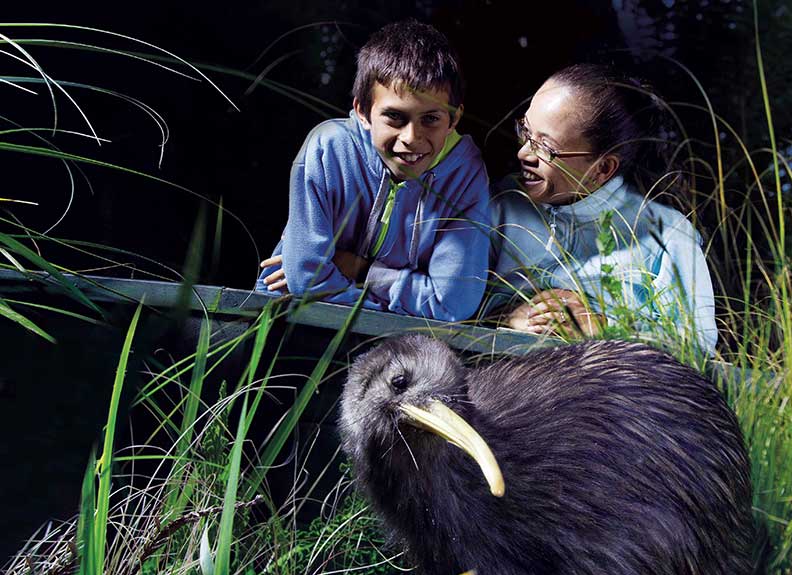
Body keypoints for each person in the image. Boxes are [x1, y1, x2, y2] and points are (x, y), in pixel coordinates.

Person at [256, 20, 490, 322]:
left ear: (454, 119)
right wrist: (397, 304)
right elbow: (304, 279)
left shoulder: (466, 174)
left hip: (394, 338)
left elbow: (452, 304)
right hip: (291, 316)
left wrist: (362, 271)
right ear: (363, 112)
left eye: (430, 119)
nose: (411, 137)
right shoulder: (328, 148)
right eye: (394, 117)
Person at [484, 64, 718, 352]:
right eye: (525, 131)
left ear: (603, 168)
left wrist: (604, 327)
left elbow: (698, 344)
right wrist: (507, 317)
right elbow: (452, 305)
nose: (523, 153)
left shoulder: (668, 233)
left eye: (546, 147)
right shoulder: (499, 203)